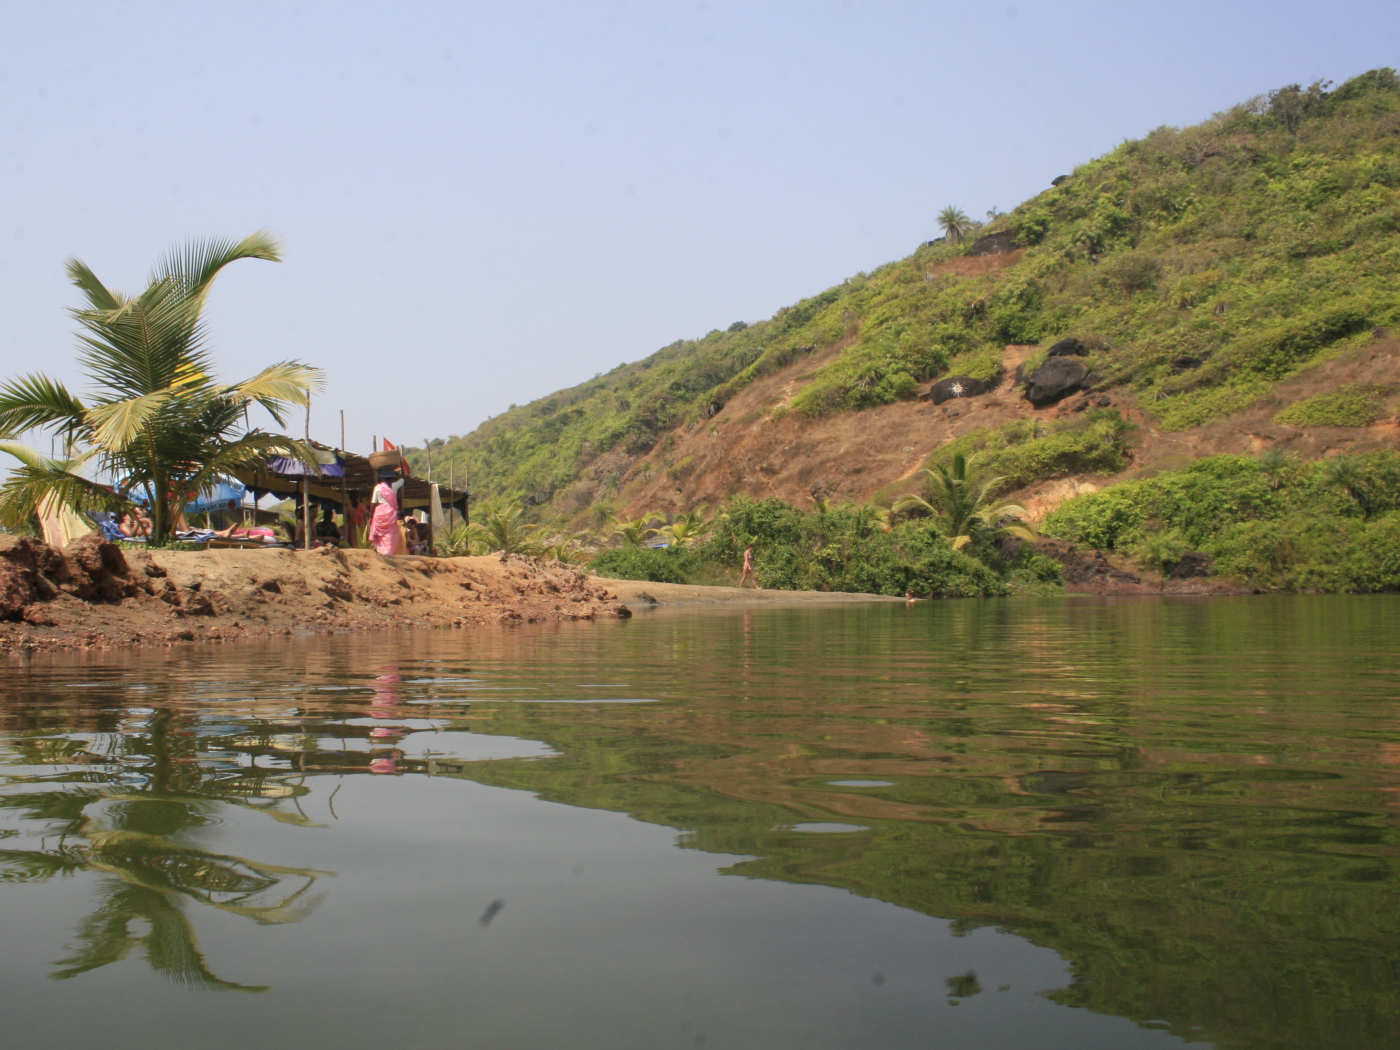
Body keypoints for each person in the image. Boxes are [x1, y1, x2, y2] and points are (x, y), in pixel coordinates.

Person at [369, 468, 405, 556]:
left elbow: (373, 502)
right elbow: (403, 479)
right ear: (392, 478)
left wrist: (370, 514)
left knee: (381, 534)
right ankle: (388, 552)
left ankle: (381, 551)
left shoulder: (378, 487)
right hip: (390, 512)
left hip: (380, 511)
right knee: (390, 533)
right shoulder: (395, 486)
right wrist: (401, 471)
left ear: (382, 478)